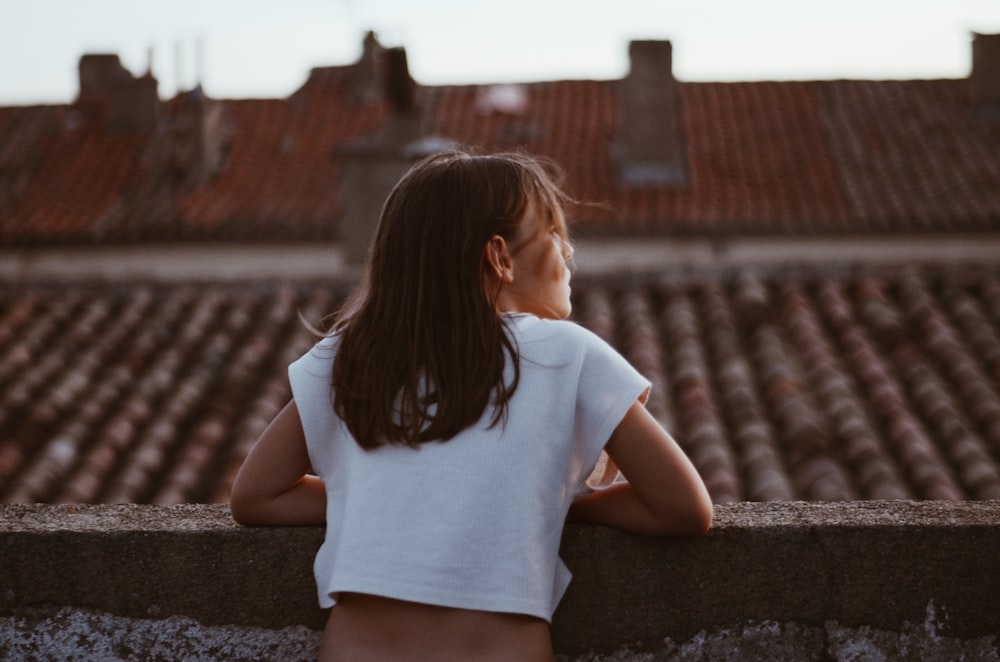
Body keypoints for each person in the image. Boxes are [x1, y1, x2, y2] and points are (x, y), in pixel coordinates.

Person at [230, 150, 713, 661]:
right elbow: (684, 507)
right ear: (499, 257)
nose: (568, 250)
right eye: (553, 230)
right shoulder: (568, 353)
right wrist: (558, 504)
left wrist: (383, 499)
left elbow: (257, 496)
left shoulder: (351, 356)